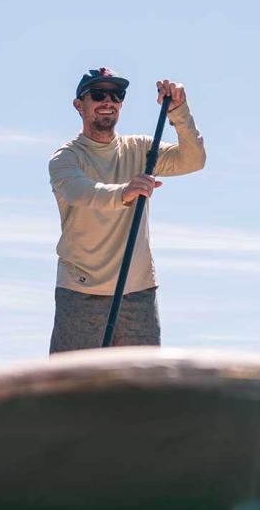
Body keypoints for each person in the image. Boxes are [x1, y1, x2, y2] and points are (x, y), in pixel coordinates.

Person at [47, 66, 205, 352]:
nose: (108, 101)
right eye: (98, 94)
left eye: (116, 94)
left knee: (142, 391)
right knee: (74, 391)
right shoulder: (65, 158)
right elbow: (79, 192)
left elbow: (193, 160)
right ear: (79, 105)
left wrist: (179, 112)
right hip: (81, 292)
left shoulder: (142, 149)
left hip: (138, 291)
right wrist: (124, 192)